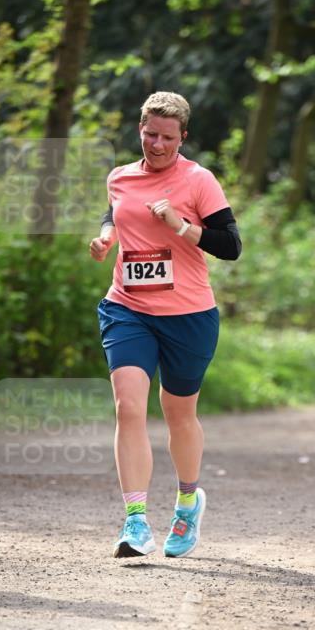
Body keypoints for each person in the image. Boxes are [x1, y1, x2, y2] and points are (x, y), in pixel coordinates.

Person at [90, 91, 241, 559]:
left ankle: (188, 502)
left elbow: (230, 245)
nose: (157, 145)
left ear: (183, 137)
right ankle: (135, 523)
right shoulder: (120, 177)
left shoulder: (198, 181)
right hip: (127, 308)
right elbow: (116, 210)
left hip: (189, 316)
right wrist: (105, 238)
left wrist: (181, 226)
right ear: (140, 129)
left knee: (179, 414)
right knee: (129, 408)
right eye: (151, 134)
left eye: (168, 138)